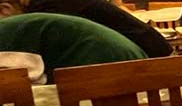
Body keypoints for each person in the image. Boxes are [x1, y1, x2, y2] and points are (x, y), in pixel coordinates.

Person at [0, 0, 172, 58]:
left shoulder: (43, 9)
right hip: (141, 47)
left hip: (143, 49)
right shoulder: (42, 0)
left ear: (5, 9)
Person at [0, 12, 146, 83]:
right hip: (119, 53)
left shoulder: (5, 33)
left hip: (107, 58)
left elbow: (24, 82)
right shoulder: (11, 27)